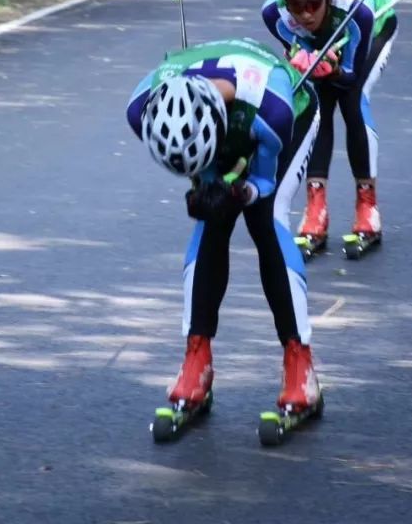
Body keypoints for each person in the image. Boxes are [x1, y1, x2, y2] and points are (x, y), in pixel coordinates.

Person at [126, 37, 321, 413]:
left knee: (267, 221)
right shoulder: (141, 111)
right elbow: (188, 154)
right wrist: (205, 186)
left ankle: (301, 364)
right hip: (216, 122)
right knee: (211, 223)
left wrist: (240, 192)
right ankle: (197, 358)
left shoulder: (273, 113)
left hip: (288, 113)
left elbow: (262, 183)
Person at [261, 0, 398, 250]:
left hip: (375, 26)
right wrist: (303, 59)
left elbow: (348, 76)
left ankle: (367, 208)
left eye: (312, 2)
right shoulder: (273, 14)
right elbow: (297, 46)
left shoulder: (357, 8)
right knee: (316, 107)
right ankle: (315, 210)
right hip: (328, 37)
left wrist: (333, 69)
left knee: (352, 100)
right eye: (296, 6)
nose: (305, 13)